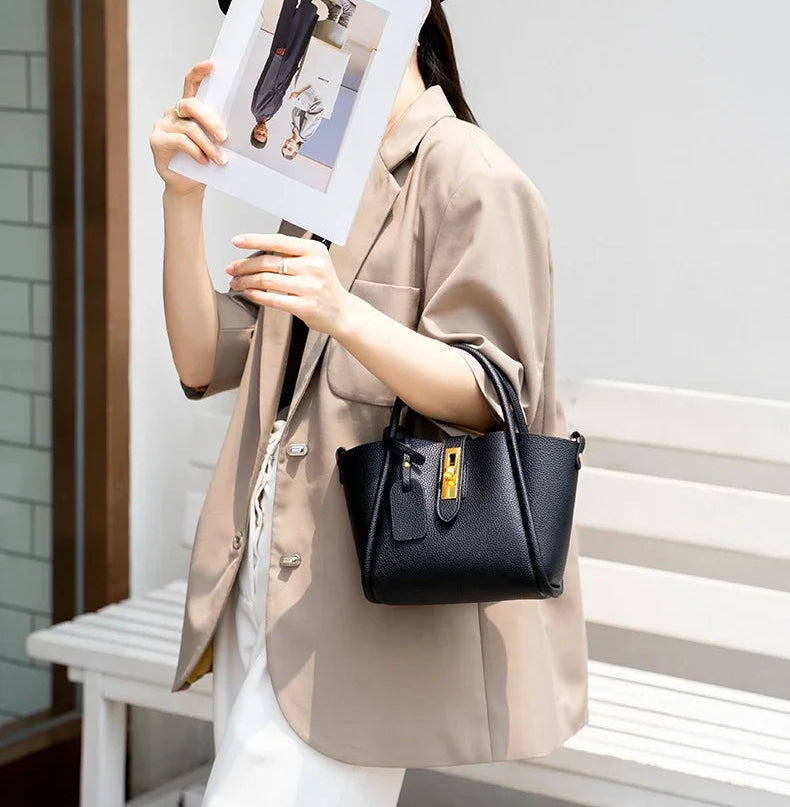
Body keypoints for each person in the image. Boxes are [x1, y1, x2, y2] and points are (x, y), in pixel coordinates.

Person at [149, 0, 589, 804]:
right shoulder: (325, 179)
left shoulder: (472, 175)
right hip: (261, 592)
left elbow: (494, 394)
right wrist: (182, 202)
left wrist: (343, 312)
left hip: (346, 620)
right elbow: (202, 356)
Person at [248, 0, 319, 149]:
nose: (261, 132)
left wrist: (277, 58)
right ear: (267, 133)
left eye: (258, 133)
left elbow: (265, 83)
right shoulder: (269, 115)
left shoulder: (257, 110)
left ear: (253, 130)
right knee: (299, 36)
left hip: (280, 64)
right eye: (263, 135)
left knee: (288, 30)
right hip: (287, 70)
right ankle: (307, 5)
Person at [281, 85, 325, 160]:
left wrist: (296, 98)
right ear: (297, 149)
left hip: (306, 85)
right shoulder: (304, 134)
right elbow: (318, 109)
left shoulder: (293, 128)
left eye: (285, 146)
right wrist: (299, 96)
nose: (288, 144)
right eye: (290, 148)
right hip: (317, 89)